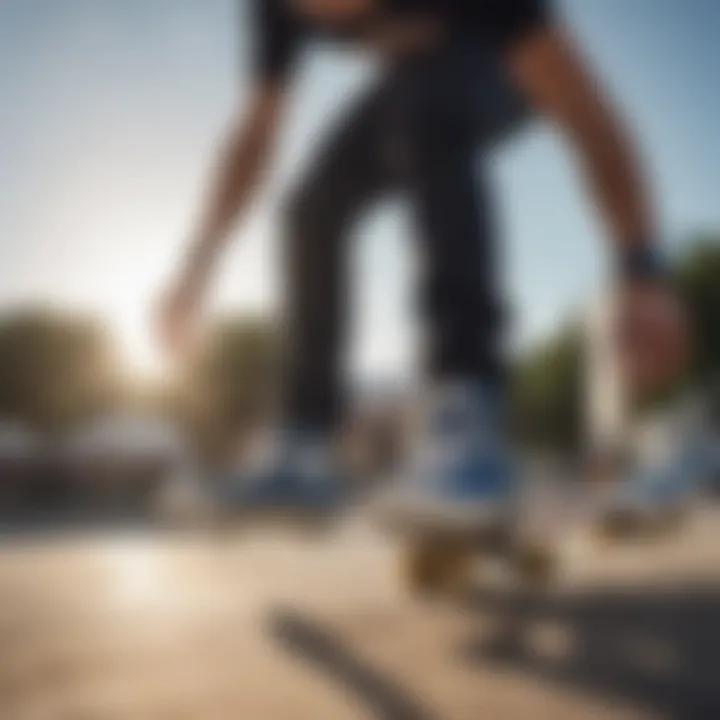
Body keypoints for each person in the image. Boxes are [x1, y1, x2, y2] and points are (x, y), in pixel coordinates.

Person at [157, 0, 687, 527]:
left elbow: (586, 115)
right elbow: (255, 136)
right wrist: (198, 265)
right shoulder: (276, 9)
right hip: (415, 81)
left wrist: (640, 271)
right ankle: (304, 445)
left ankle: (468, 418)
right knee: (311, 209)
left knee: (426, 116)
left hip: (498, 71)